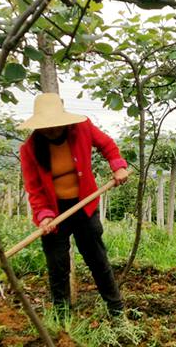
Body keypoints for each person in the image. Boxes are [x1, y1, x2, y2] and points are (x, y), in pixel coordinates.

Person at [19, 93, 129, 317]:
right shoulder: (29, 149)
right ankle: (62, 317)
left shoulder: (82, 129)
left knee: (97, 258)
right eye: (45, 126)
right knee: (57, 264)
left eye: (55, 125)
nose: (51, 130)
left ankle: (116, 309)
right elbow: (34, 188)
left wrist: (117, 167)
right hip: (54, 211)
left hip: (83, 207)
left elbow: (107, 145)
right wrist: (44, 215)